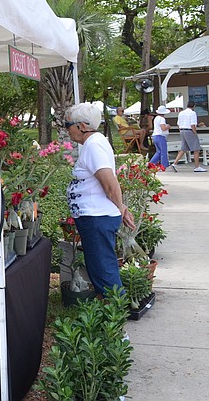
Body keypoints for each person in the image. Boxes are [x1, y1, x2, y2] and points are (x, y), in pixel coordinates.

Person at [64, 103, 135, 296]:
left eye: (68, 125)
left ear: (82, 126)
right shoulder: (92, 143)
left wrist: (121, 208)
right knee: (100, 267)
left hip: (97, 217)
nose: (67, 130)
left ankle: (115, 309)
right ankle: (110, 306)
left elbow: (110, 184)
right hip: (95, 217)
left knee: (103, 270)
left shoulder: (94, 146)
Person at [172, 100, 206, 172]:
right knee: (196, 149)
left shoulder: (181, 113)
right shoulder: (192, 113)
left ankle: (174, 163)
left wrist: (181, 130)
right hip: (189, 131)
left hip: (182, 130)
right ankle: (197, 166)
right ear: (194, 106)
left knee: (183, 148)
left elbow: (178, 124)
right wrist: (195, 133)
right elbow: (192, 124)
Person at [149, 105, 172, 170]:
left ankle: (151, 164)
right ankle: (164, 165)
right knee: (163, 152)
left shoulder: (156, 118)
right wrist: (168, 126)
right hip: (160, 136)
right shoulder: (162, 119)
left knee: (158, 152)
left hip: (155, 135)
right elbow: (163, 128)